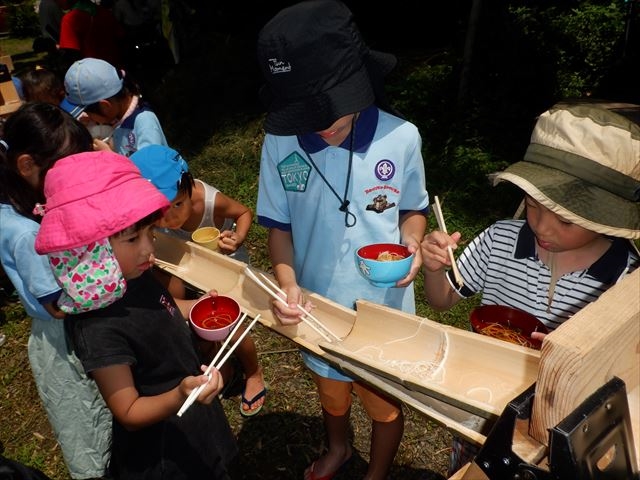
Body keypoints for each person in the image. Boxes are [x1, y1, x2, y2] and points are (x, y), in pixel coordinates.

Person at [255, 1, 430, 479]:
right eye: (306, 112)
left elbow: (413, 208)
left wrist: (412, 242)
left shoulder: (401, 138)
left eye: (330, 107)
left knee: (382, 402)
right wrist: (287, 282)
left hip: (384, 304)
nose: (322, 124)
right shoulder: (281, 143)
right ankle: (339, 448)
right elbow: (279, 227)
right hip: (315, 304)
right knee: (330, 390)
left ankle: (376, 472)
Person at [420, 100, 640, 475]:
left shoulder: (625, 281)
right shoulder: (501, 239)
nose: (542, 227)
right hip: (481, 405)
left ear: (609, 219)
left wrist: (568, 357)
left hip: (555, 435)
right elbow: (440, 301)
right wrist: (434, 269)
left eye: (566, 220)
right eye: (533, 205)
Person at [34, 150, 238, 479]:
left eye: (150, 234)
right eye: (133, 239)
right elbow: (128, 410)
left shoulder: (135, 275)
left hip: (195, 412)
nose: (149, 250)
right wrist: (179, 395)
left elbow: (163, 308)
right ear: (91, 254)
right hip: (164, 446)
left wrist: (195, 309)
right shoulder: (98, 327)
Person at [0, 102, 112, 479]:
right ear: (27, 165)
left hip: (70, 323)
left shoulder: (20, 202)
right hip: (63, 338)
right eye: (65, 168)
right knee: (87, 422)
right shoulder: (27, 234)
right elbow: (59, 307)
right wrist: (113, 282)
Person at [130, 144, 267, 417]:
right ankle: (213, 360)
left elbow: (243, 213)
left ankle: (253, 372)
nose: (169, 217)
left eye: (177, 205)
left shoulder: (210, 201)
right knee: (184, 311)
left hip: (228, 268)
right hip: (184, 265)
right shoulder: (150, 215)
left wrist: (237, 237)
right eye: (160, 210)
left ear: (190, 186)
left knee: (235, 326)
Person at [63, 57, 168, 156]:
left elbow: (151, 170)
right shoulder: (119, 118)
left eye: (89, 113)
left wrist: (110, 156)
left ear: (105, 106)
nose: (87, 117)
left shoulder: (144, 123)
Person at [55, 0, 125, 71]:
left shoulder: (69, 19)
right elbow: (120, 37)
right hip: (114, 69)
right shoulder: (104, 11)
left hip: (91, 73)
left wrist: (60, 49)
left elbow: (71, 54)